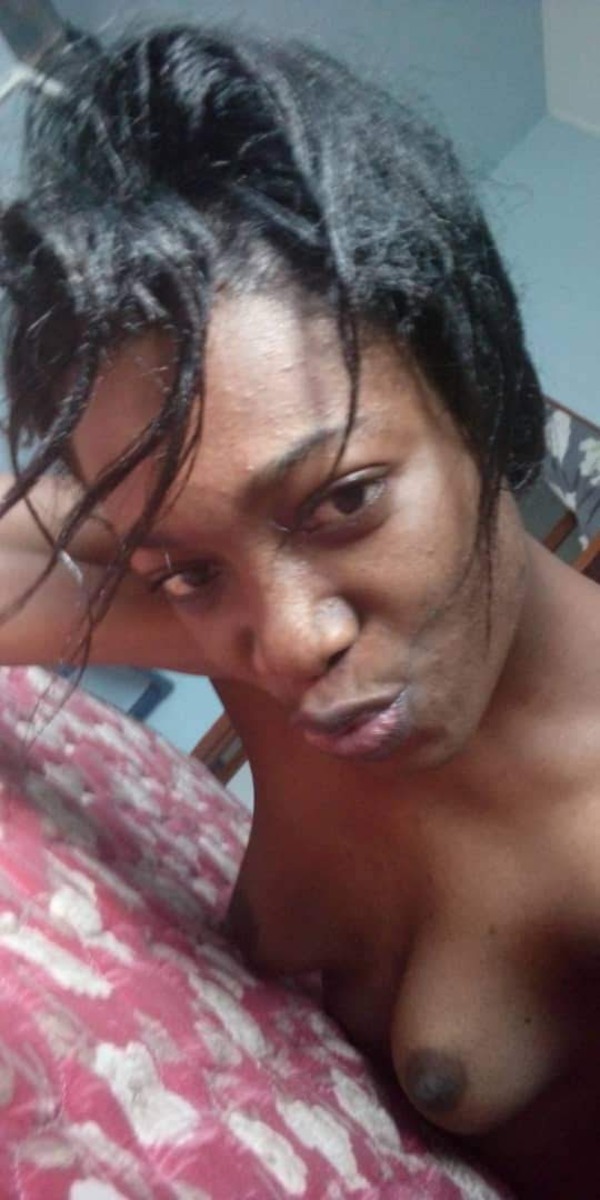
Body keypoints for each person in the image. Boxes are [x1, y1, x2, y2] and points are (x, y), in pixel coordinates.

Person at [0, 24, 598, 1197]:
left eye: (343, 501)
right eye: (185, 568)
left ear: (481, 391)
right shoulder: (245, 618)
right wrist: (138, 499)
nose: (288, 647)